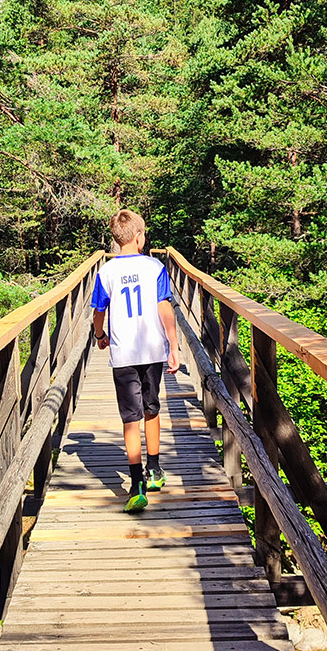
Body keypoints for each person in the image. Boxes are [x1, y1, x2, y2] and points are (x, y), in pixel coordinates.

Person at [91, 210, 180, 512]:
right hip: (153, 350)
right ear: (140, 237)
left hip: (123, 354)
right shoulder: (155, 266)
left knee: (131, 417)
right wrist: (174, 345)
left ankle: (136, 484)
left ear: (115, 240)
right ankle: (154, 470)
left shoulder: (106, 272)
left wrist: (99, 334)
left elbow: (99, 310)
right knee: (151, 408)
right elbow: (164, 307)